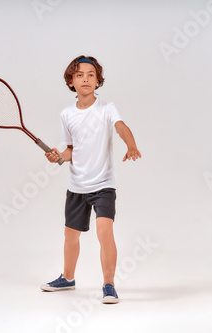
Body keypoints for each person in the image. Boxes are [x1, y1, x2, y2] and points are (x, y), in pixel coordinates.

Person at [40, 55, 141, 304]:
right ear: (71, 82)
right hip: (77, 186)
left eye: (91, 75)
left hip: (103, 184)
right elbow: (71, 151)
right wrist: (59, 157)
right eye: (79, 75)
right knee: (70, 235)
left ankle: (108, 284)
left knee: (104, 230)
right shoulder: (66, 114)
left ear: (98, 82)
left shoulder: (107, 108)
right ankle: (68, 278)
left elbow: (121, 126)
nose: (85, 78)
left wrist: (131, 144)